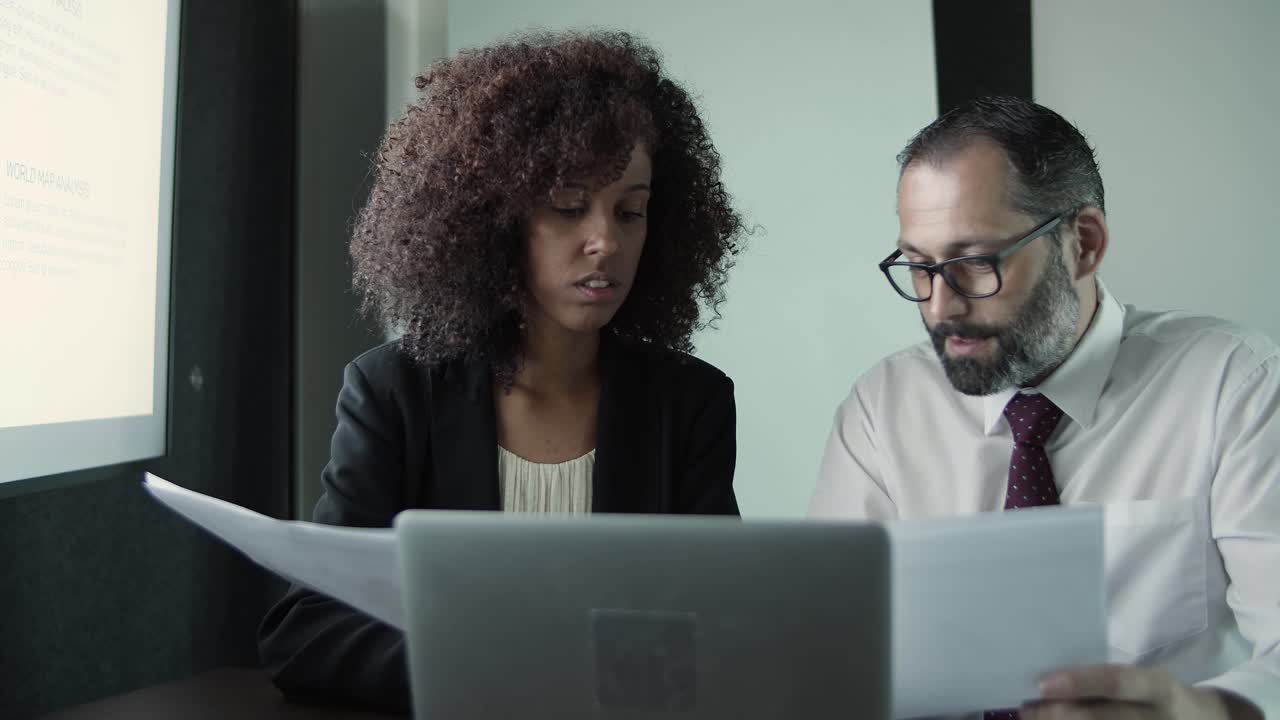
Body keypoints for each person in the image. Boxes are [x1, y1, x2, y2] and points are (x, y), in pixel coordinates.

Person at [259, 30, 747, 713]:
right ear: (491, 218)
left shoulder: (689, 402)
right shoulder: (393, 392)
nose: (605, 238)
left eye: (630, 210)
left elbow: (724, 622)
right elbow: (306, 631)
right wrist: (497, 668)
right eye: (569, 206)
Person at [810, 96, 1278, 719]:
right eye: (920, 267)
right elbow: (832, 656)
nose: (939, 308)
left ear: (1083, 243)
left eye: (975, 263)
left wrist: (1208, 712)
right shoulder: (882, 410)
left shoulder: (1233, 383)